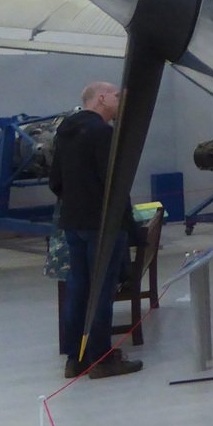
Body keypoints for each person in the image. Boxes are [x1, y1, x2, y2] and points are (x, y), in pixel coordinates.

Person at [50, 81, 144, 379]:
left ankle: (74, 359)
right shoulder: (103, 133)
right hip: (102, 225)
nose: (120, 100)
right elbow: (114, 185)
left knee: (78, 289)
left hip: (73, 223)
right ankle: (101, 359)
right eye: (116, 96)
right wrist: (130, 227)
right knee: (102, 291)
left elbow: (55, 181)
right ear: (101, 98)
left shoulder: (65, 131)